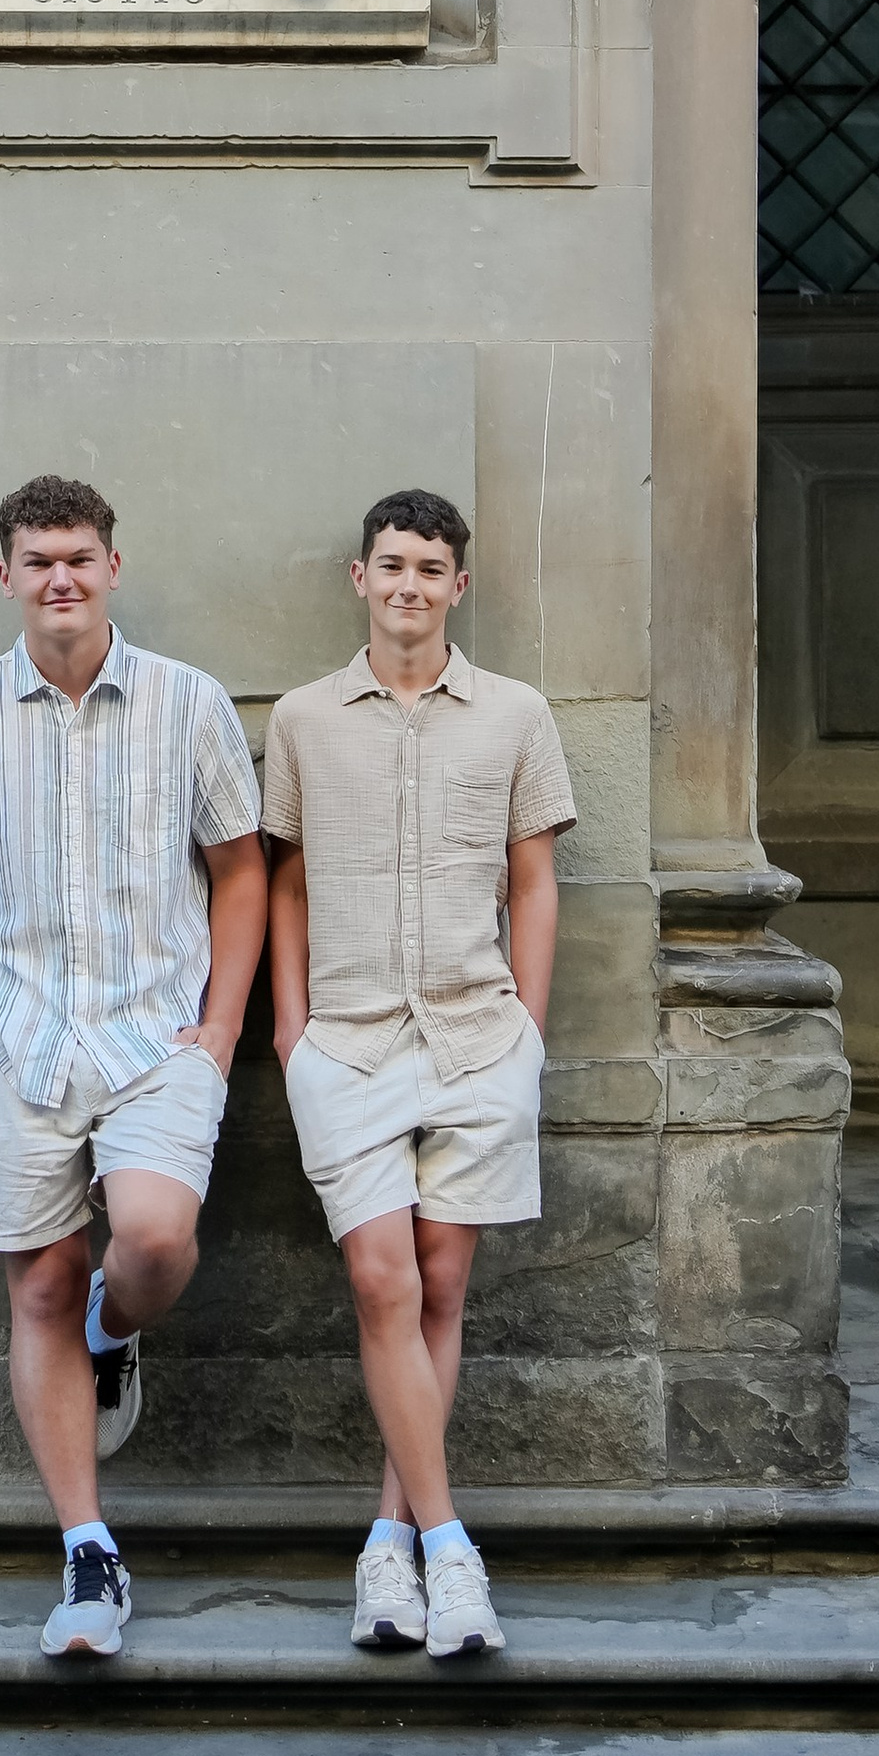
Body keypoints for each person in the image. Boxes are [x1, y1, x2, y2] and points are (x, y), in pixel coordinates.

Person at [0, 472, 266, 1660]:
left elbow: (242, 870)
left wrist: (224, 1022)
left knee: (149, 1241)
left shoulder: (188, 706)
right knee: (35, 1285)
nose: (61, 578)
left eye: (80, 556)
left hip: (156, 1035)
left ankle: (117, 1327)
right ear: (5, 577)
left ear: (111, 568)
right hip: (18, 1041)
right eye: (38, 560)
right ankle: (89, 1552)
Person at [263, 486, 576, 1659]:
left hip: (477, 1039)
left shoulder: (514, 715)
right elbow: (282, 881)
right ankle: (452, 1549)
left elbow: (534, 879)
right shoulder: (302, 719)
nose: (407, 584)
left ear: (457, 585)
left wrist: (528, 1030)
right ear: (359, 578)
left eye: (429, 567)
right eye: (389, 564)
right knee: (384, 1284)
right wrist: (289, 1029)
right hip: (345, 1044)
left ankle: (388, 1548)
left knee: (441, 1289)